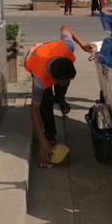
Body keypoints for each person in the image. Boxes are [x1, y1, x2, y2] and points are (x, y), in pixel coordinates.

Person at [25, 25, 97, 162]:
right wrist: (41, 139)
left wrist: (83, 45)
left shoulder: (67, 47)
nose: (65, 83)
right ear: (53, 78)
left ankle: (60, 98)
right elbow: (34, 110)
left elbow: (65, 27)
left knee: (61, 88)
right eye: (60, 81)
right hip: (35, 56)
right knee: (46, 103)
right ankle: (50, 133)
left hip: (52, 53)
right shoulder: (39, 80)